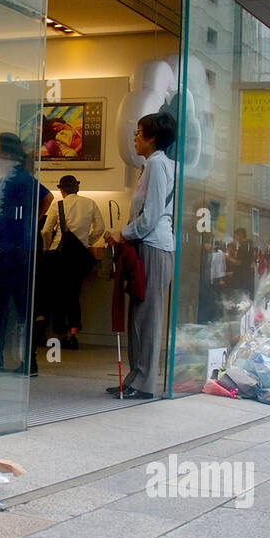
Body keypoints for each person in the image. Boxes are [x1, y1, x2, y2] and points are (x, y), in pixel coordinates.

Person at [106, 111, 177, 399]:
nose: (135, 138)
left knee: (147, 316)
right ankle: (136, 378)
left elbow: (152, 215)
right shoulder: (152, 165)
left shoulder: (158, 165)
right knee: (138, 315)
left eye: (139, 132)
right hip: (147, 246)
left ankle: (145, 382)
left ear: (152, 137)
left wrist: (123, 233)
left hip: (154, 247)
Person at [0, 133, 52, 374]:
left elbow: (47, 197)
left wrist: (30, 222)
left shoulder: (21, 178)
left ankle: (26, 360)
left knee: (18, 306)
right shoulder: (0, 177)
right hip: (3, 246)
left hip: (16, 249)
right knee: (2, 305)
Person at [41, 173, 104, 349]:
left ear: (62, 190)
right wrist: (88, 241)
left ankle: (61, 335)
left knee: (58, 296)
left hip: (59, 256)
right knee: (74, 295)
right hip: (79, 256)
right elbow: (100, 227)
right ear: (77, 188)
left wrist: (47, 248)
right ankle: (74, 333)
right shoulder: (90, 203)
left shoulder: (58, 205)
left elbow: (45, 231)